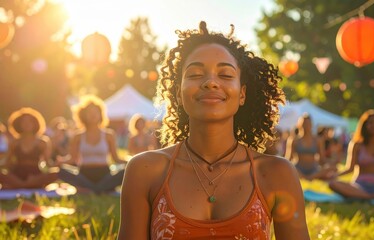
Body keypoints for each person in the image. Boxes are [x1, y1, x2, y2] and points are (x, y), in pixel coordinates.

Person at [118, 21, 309, 239]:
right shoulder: (144, 170)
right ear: (179, 94)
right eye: (195, 74)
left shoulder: (276, 174)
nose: (210, 82)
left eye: (225, 75)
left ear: (242, 94)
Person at [58, 95, 126, 193]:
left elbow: (116, 158)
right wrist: (60, 162)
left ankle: (91, 189)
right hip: (84, 174)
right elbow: (72, 158)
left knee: (126, 172)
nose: (93, 115)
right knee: (61, 171)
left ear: (100, 114)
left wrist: (132, 162)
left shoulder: (109, 135)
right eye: (89, 112)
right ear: (83, 115)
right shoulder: (78, 136)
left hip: (104, 174)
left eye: (95, 112)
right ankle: (100, 189)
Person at [0, 108, 58, 189]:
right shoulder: (14, 143)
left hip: (35, 175)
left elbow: (47, 163)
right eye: (24, 122)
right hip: (17, 175)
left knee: (56, 173)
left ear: (35, 124)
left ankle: (23, 185)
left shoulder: (43, 142)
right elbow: (8, 163)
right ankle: (26, 185)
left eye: (30, 122)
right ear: (19, 124)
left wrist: (58, 166)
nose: (26, 124)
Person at [285, 113, 333, 180]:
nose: (306, 126)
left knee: (330, 169)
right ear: (299, 125)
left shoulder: (318, 140)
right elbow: (288, 159)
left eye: (308, 124)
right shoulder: (294, 140)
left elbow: (322, 159)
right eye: (304, 123)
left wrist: (331, 164)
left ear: (311, 125)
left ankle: (308, 177)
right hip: (298, 168)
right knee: (290, 168)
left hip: (314, 169)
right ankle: (305, 177)